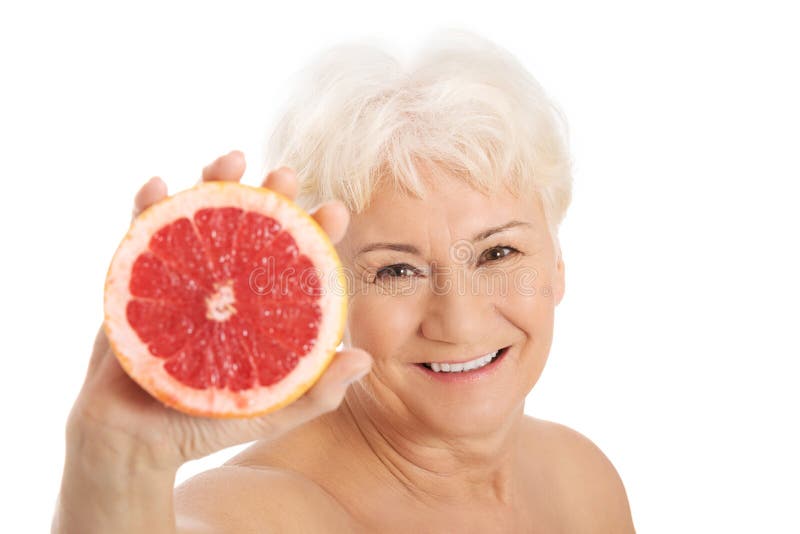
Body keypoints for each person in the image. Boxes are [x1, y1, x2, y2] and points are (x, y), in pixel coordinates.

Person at [52, 30, 635, 533]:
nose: (458, 319)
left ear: (557, 264)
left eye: (499, 252)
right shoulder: (266, 508)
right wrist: (118, 465)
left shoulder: (583, 480)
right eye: (396, 270)